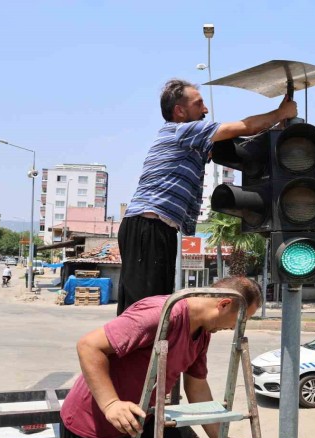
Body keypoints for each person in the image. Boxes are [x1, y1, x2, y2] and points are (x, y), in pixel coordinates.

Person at [116, 79, 298, 315]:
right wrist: (282, 112)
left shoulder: (192, 141)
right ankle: (129, 350)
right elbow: (247, 126)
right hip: (148, 225)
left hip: (157, 228)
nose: (205, 109)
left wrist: (277, 121)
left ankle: (143, 351)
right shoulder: (182, 130)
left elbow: (247, 141)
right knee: (144, 310)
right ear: (180, 111)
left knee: (154, 306)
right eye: (198, 103)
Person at [59, 277, 262, 438]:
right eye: (241, 318)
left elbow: (197, 387)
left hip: (138, 421)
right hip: (92, 426)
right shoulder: (160, 314)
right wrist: (111, 404)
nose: (237, 326)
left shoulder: (202, 333)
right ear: (224, 304)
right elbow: (88, 346)